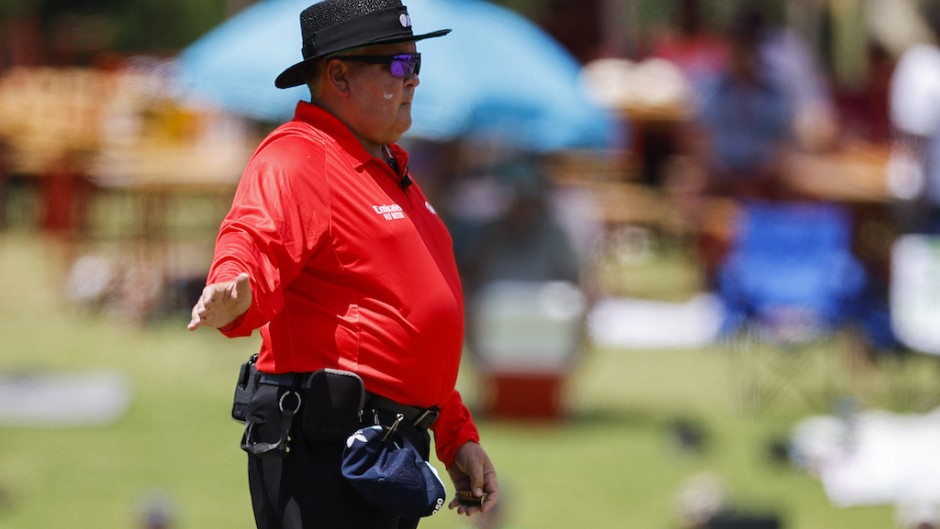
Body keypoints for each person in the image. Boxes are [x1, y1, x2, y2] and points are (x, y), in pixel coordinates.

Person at [186, 1, 499, 528]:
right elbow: (251, 240)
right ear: (338, 76)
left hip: (383, 447)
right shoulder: (299, 157)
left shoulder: (388, 168)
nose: (414, 80)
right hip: (325, 451)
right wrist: (233, 290)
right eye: (399, 66)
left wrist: (455, 434)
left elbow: (406, 328)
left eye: (417, 64)